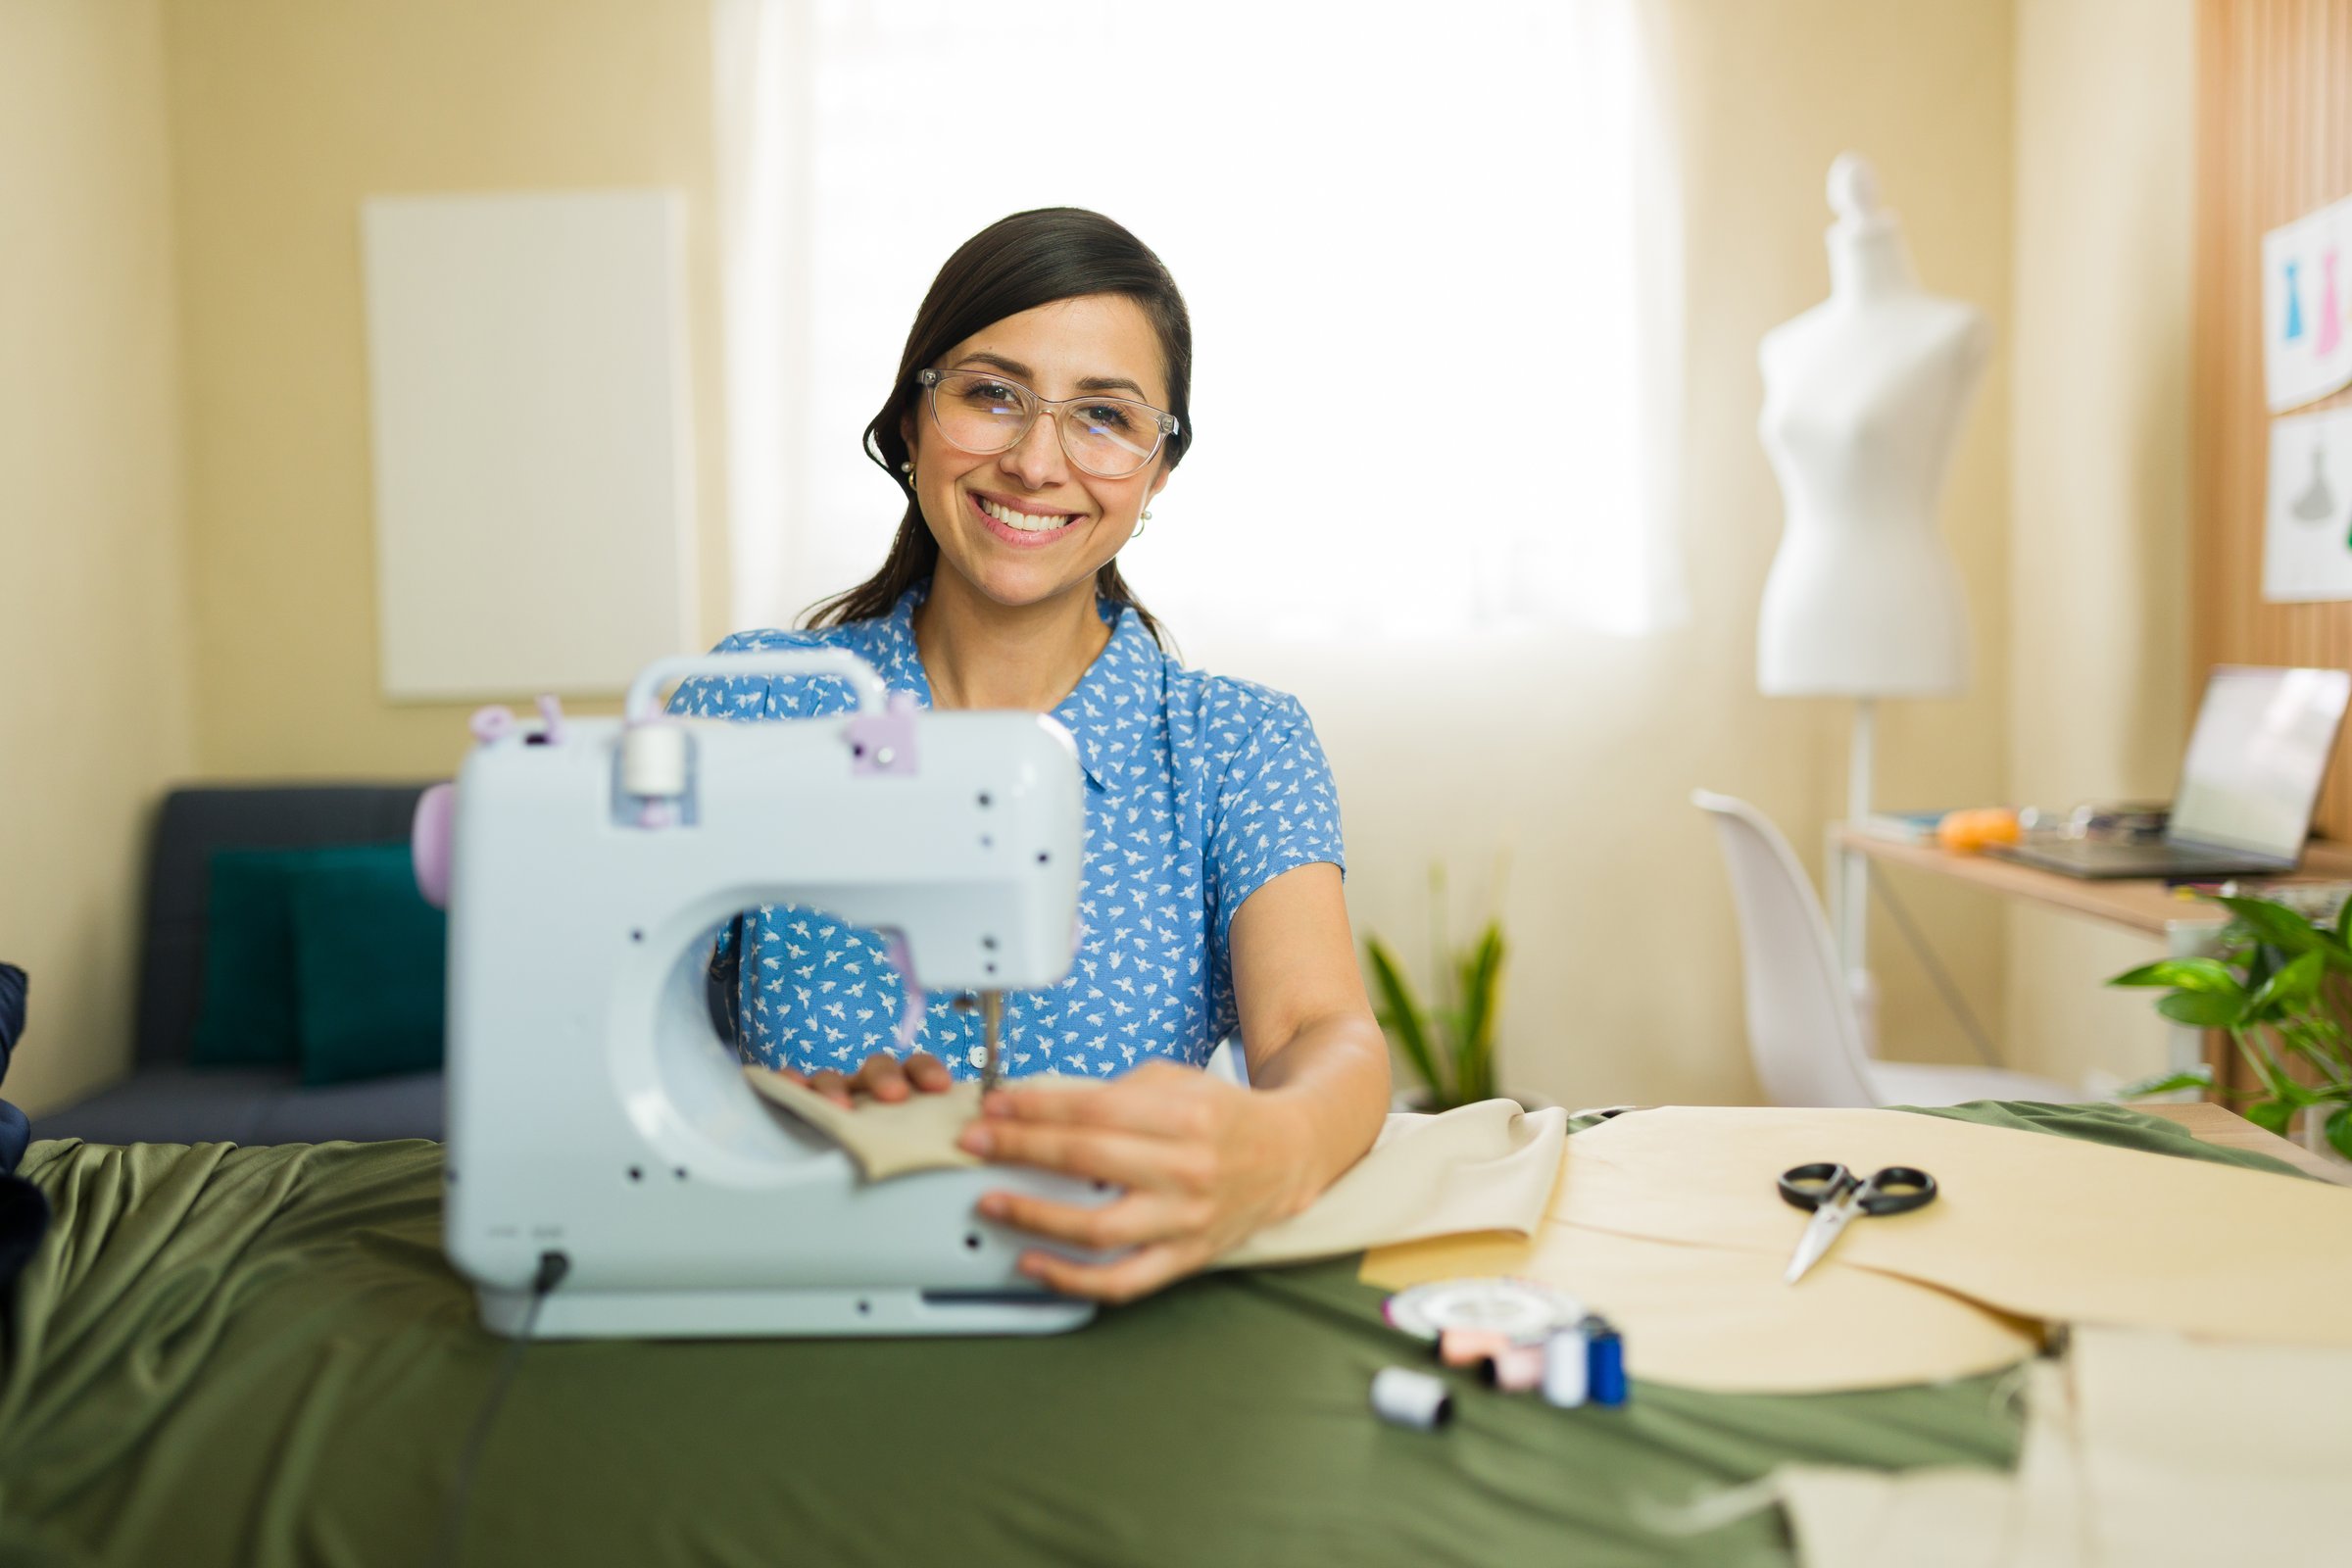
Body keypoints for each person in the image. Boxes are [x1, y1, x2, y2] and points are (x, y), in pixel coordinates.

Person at [672, 208, 1388, 1302]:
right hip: (802, 1289)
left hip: (1112, 1318)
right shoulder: (761, 707)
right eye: (992, 394)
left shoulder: (1237, 744)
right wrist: (780, 1115)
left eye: (1103, 416)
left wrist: (1280, 1143)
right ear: (915, 419)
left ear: (1156, 473)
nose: (1036, 460)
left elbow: (1316, 1031)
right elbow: (637, 1017)